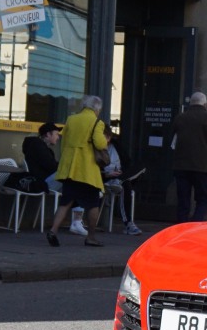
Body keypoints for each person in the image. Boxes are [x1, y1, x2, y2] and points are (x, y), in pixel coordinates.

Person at [46, 95, 109, 248]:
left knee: (66, 202)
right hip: (86, 170)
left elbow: (64, 140)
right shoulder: (97, 122)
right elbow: (100, 143)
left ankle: (53, 230)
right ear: (97, 109)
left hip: (69, 168)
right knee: (93, 204)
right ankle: (91, 237)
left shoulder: (71, 119)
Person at [170, 91, 207, 223]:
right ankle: (194, 224)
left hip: (181, 166)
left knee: (183, 200)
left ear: (191, 103)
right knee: (202, 200)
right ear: (204, 104)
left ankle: (181, 225)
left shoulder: (180, 118)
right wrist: (206, 155)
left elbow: (173, 140)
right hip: (202, 167)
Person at [101, 125, 143, 235]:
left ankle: (121, 179)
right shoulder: (95, 149)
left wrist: (120, 172)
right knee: (126, 184)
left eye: (107, 137)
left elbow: (127, 163)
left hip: (120, 175)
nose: (106, 140)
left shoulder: (116, 146)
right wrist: (108, 174)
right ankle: (128, 223)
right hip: (105, 178)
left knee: (139, 168)